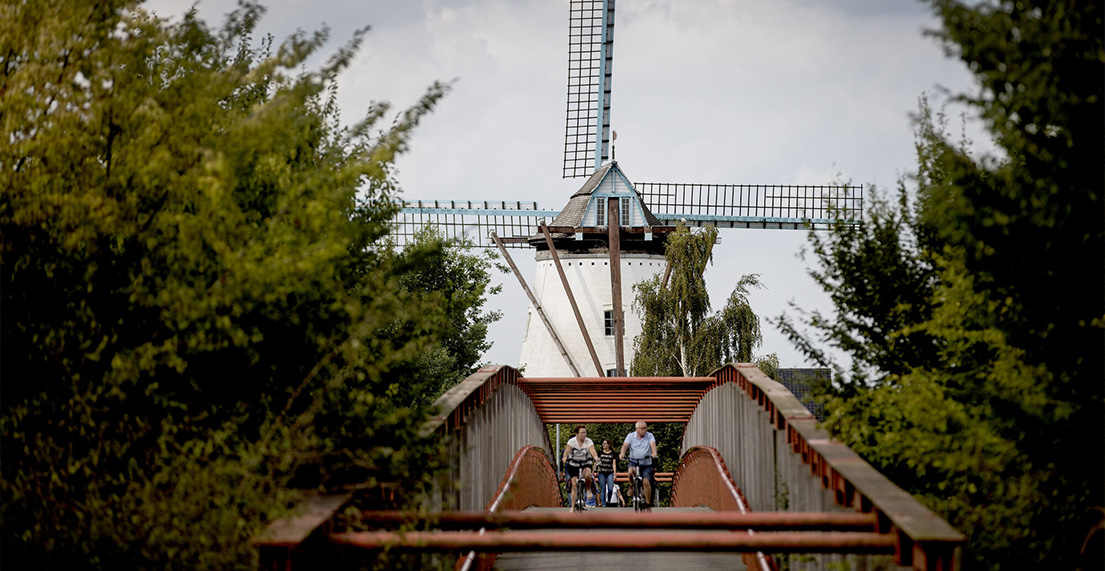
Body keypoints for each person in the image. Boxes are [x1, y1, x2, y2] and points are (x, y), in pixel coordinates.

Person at [619, 420, 658, 509]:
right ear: (637, 429)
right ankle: (632, 485)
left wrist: (654, 453)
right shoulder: (630, 436)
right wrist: (622, 453)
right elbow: (625, 446)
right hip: (634, 460)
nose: (644, 430)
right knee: (630, 472)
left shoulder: (649, 435)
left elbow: (653, 445)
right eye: (642, 428)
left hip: (646, 462)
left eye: (645, 428)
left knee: (646, 482)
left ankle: (648, 504)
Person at [561, 425, 598, 512]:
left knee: (588, 473)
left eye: (585, 433)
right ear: (576, 434)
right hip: (573, 463)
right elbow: (567, 451)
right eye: (581, 433)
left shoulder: (588, 441)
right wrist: (565, 457)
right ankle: (572, 507)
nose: (584, 435)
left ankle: (588, 490)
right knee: (574, 485)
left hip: (585, 462)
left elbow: (592, 450)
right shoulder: (572, 441)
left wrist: (595, 457)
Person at [595, 438, 617, 507]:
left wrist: (615, 474)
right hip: (601, 472)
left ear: (608, 445)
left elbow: (614, 464)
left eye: (605, 443)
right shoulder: (600, 452)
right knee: (603, 488)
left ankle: (609, 500)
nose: (603, 445)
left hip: (610, 472)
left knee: (610, 488)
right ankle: (604, 504)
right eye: (603, 443)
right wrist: (594, 470)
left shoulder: (613, 453)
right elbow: (596, 462)